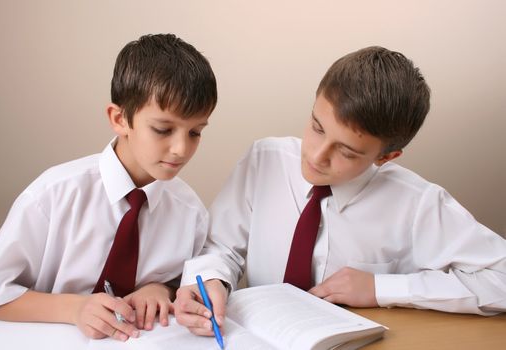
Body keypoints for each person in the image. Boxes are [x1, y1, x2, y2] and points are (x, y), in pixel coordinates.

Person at [174, 46, 506, 337]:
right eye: (317, 127)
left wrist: (381, 288)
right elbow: (221, 246)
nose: (316, 156)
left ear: (386, 156)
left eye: (346, 152)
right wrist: (211, 280)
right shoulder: (265, 161)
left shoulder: (416, 204)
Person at [0, 34, 217, 341]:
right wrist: (74, 309)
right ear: (120, 119)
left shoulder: (191, 213)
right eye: (163, 129)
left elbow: (183, 280)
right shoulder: (53, 195)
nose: (180, 149)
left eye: (196, 133)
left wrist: (160, 289)